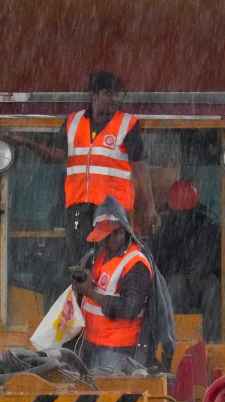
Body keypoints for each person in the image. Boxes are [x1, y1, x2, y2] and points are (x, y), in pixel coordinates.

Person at [1, 71, 157, 266]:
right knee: (79, 260)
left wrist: (149, 206)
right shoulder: (73, 122)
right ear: (95, 95)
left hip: (112, 209)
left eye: (118, 94)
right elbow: (56, 155)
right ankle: (81, 294)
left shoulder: (127, 124)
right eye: (108, 93)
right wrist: (25, 142)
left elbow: (140, 166)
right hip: (78, 207)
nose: (114, 99)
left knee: (110, 261)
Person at [72, 197, 153, 375]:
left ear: (121, 232)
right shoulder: (102, 256)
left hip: (118, 352)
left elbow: (129, 308)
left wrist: (90, 292)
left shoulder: (136, 264)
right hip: (93, 345)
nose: (103, 243)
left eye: (107, 237)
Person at [152, 180, 221, 340]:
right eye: (178, 212)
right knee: (175, 286)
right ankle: (173, 338)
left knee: (213, 288)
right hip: (179, 281)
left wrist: (202, 270)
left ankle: (212, 340)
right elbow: (159, 262)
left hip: (202, 280)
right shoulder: (164, 230)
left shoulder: (208, 226)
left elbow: (216, 258)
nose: (182, 217)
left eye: (185, 212)